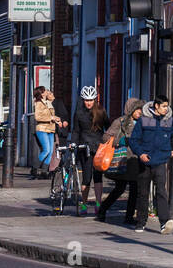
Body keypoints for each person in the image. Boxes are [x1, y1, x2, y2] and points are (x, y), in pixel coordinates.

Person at [128, 94, 173, 233]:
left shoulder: (168, 120)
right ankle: (140, 222)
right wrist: (141, 154)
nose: (166, 108)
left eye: (167, 106)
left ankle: (164, 223)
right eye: (163, 106)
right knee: (143, 192)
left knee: (161, 191)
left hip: (160, 160)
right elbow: (134, 140)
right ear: (156, 106)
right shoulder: (144, 119)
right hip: (145, 161)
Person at [95, 99, 145, 225]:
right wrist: (120, 140)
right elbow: (106, 137)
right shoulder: (120, 121)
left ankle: (129, 216)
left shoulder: (143, 123)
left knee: (134, 189)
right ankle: (103, 209)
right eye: (137, 109)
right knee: (120, 188)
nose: (139, 112)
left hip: (135, 159)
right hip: (122, 160)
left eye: (140, 109)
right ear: (130, 110)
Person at [69, 86, 110, 216]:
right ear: (83, 100)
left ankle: (98, 204)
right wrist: (73, 143)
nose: (88, 103)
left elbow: (108, 128)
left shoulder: (101, 111)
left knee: (98, 177)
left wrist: (108, 142)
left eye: (91, 100)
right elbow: (76, 130)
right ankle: (84, 203)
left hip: (98, 147)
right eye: (86, 100)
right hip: (84, 147)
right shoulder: (79, 113)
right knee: (87, 177)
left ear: (95, 100)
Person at [32, 87, 60, 179]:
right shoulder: (38, 103)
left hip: (51, 129)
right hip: (42, 129)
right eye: (45, 90)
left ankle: (44, 171)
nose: (47, 91)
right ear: (42, 93)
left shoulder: (48, 103)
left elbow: (50, 115)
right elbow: (37, 117)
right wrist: (51, 118)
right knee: (46, 150)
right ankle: (34, 168)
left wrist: (56, 119)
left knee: (51, 151)